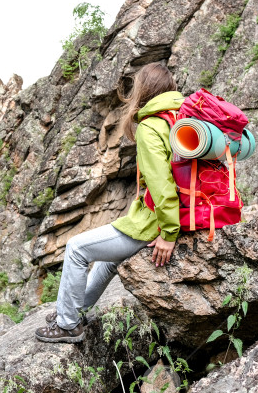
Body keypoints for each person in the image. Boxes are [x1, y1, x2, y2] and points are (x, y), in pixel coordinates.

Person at [35, 62, 184, 343]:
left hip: (158, 223)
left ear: (145, 90)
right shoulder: (180, 116)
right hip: (180, 214)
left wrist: (169, 234)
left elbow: (162, 185)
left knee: (77, 248)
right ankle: (75, 311)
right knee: (107, 262)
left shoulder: (151, 126)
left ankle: (68, 325)